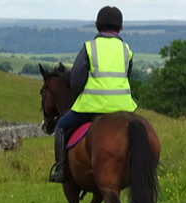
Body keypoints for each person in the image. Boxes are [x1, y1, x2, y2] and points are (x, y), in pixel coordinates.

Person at [49, 6, 137, 183]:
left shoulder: (89, 48)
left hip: (92, 105)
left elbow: (76, 82)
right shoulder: (126, 50)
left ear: (97, 25)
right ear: (120, 27)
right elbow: (127, 78)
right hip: (124, 107)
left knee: (61, 126)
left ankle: (60, 169)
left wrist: (79, 96)